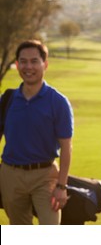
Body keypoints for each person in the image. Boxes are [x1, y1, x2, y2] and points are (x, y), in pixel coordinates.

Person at [0, 40, 74, 225]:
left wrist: (62, 186)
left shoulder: (58, 102)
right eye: (23, 61)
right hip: (10, 175)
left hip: (45, 176)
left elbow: (66, 147)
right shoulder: (7, 99)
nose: (28, 67)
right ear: (16, 65)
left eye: (34, 61)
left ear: (45, 64)